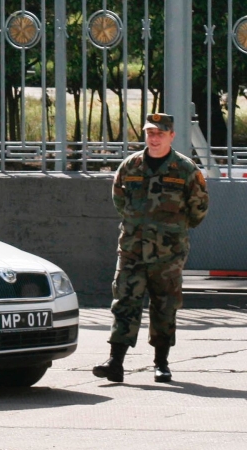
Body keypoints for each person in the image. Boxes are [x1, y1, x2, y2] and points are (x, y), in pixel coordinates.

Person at [93, 113, 209, 383]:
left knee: (164, 305)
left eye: (160, 133)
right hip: (132, 249)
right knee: (124, 301)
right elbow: (119, 201)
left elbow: (199, 208)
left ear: (171, 136)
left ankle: (161, 363)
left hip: (168, 253)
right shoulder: (131, 166)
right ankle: (115, 362)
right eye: (150, 133)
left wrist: (172, 230)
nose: (154, 138)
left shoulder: (185, 169)